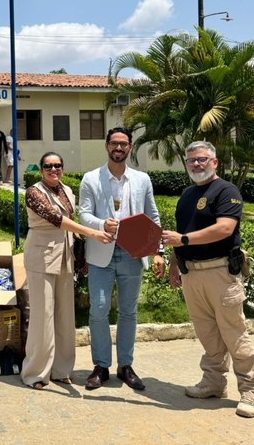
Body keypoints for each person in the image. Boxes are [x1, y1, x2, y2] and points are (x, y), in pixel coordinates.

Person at [161, 140, 254, 418]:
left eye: (202, 159)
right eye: (191, 160)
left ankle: (251, 390)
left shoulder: (226, 190)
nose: (196, 164)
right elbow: (181, 234)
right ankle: (214, 382)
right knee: (207, 333)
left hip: (220, 272)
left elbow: (225, 228)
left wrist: (182, 239)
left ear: (214, 162)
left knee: (234, 332)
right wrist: (174, 264)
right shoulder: (187, 195)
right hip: (191, 273)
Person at [79, 127, 164, 391]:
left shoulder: (142, 179)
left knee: (129, 312)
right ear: (106, 146)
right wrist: (101, 223)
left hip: (132, 253)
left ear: (130, 147)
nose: (118, 148)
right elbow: (83, 214)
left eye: (123, 144)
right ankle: (101, 366)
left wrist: (158, 251)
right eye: (114, 143)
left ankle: (125, 366)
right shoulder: (91, 178)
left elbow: (153, 217)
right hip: (101, 253)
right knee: (99, 310)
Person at [20, 152, 113, 390]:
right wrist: (93, 233)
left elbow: (73, 219)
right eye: (48, 166)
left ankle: (61, 369)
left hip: (65, 255)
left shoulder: (67, 190)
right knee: (43, 315)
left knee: (64, 315)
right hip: (41, 255)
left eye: (58, 166)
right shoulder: (34, 192)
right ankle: (36, 373)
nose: (54, 170)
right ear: (41, 169)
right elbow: (55, 218)